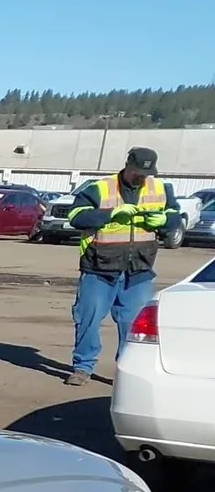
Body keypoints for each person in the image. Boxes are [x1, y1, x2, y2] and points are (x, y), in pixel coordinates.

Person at [64, 146, 180, 386]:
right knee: (88, 319)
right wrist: (111, 214)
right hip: (99, 267)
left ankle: (126, 371)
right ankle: (82, 367)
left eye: (146, 174)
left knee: (134, 327)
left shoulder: (161, 189)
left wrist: (165, 220)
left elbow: (175, 217)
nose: (141, 177)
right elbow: (76, 216)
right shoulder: (100, 188)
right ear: (127, 166)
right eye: (137, 172)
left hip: (139, 270)